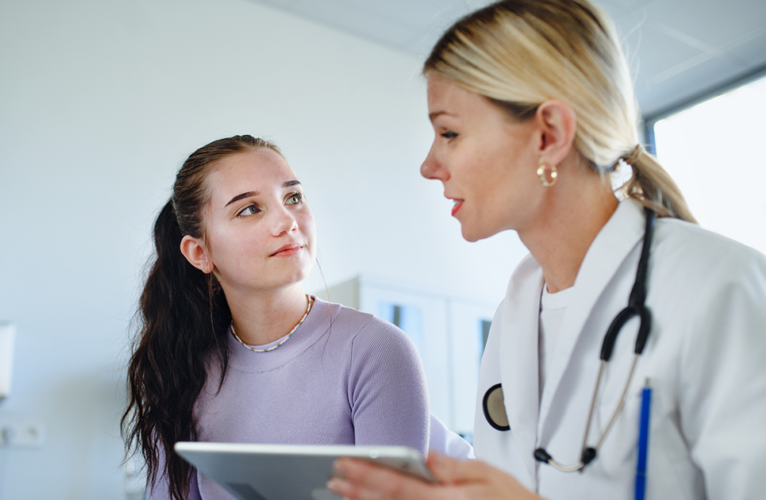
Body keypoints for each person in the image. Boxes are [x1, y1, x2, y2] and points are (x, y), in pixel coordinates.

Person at [327, 1, 766, 499]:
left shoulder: (722, 288)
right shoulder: (512, 323)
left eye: (449, 132)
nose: (430, 165)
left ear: (549, 135)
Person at [121, 135, 434, 500]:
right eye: (250, 209)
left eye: (293, 197)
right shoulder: (180, 372)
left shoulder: (376, 350)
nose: (288, 221)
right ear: (199, 253)